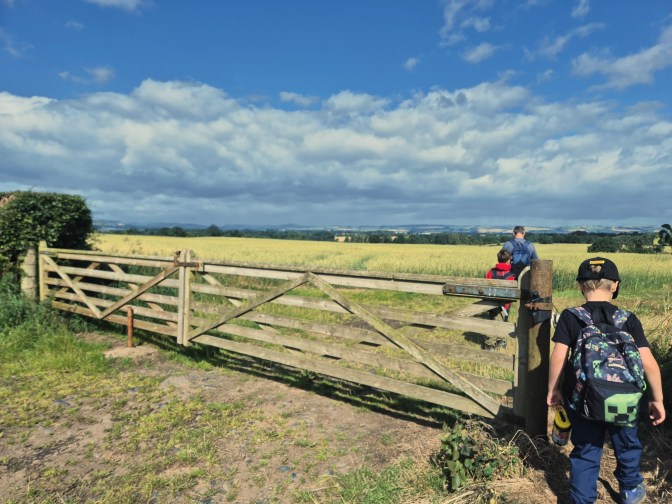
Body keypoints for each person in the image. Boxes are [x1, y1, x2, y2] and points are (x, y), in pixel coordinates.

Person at [547, 257, 665, 504]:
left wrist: (554, 388)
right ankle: (631, 489)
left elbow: (558, 356)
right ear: (615, 286)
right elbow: (648, 362)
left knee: (586, 450)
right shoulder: (628, 319)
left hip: (582, 399)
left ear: (581, 285)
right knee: (627, 443)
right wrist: (657, 399)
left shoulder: (571, 316)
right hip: (625, 398)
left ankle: (582, 498)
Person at [485, 249, 515, 322]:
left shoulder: (490, 272)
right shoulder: (511, 276)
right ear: (508, 261)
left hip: (490, 303)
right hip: (504, 306)